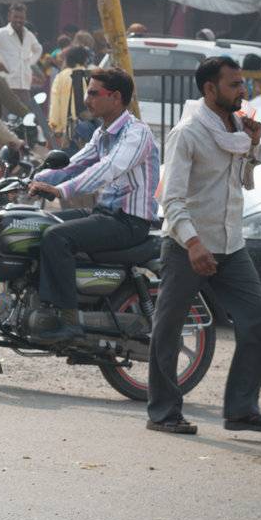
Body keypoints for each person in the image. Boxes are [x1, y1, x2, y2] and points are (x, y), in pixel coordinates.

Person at [150, 56, 261, 435]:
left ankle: (241, 409)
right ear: (210, 89)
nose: (243, 91)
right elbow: (171, 200)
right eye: (234, 84)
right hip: (187, 245)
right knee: (169, 328)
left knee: (256, 318)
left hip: (230, 244)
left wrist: (253, 146)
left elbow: (246, 180)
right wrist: (193, 244)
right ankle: (163, 412)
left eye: (243, 84)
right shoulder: (187, 133)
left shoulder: (238, 128)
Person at [27, 68, 160, 343]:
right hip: (106, 214)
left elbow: (108, 168)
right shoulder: (103, 134)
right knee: (41, 225)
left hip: (128, 222)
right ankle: (42, 305)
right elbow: (75, 164)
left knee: (57, 237)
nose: (87, 99)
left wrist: (60, 190)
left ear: (115, 98)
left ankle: (68, 320)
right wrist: (32, 178)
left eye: (93, 93)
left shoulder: (136, 134)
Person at [0, 3, 42, 110]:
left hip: (24, 87)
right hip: (6, 86)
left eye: (21, 18)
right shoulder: (0, 34)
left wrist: (29, 64)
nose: (18, 20)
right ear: (9, 17)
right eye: (15, 17)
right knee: (6, 122)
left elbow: (38, 49)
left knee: (27, 120)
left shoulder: (28, 35)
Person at [46, 44, 95, 146]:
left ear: (68, 59)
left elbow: (55, 106)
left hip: (68, 133)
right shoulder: (91, 75)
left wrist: (56, 129)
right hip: (90, 131)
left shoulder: (61, 77)